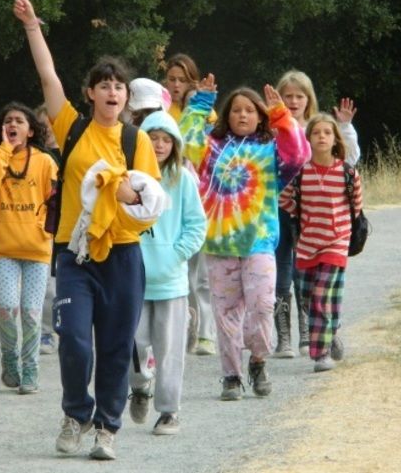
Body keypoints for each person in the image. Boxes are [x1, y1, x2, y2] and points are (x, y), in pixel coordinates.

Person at [12, 0, 161, 460]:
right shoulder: (71, 126)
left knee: (116, 347)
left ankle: (107, 428)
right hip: (75, 253)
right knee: (75, 339)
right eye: (104, 85)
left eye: (118, 85)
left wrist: (129, 191)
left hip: (123, 254)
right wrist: (33, 25)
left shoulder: (138, 139)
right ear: (91, 94)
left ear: (126, 96)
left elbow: (152, 200)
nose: (112, 91)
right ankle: (76, 413)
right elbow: (46, 75)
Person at [179, 75, 310, 400]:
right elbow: (184, 141)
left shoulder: (270, 150)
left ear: (259, 116)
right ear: (227, 115)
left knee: (263, 306)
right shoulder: (210, 148)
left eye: (250, 110)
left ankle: (258, 359)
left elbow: (298, 155)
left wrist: (282, 115)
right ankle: (232, 376)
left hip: (259, 243)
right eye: (236, 110)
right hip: (220, 245)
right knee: (226, 316)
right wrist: (199, 104)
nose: (242, 115)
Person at [128, 110, 206, 436]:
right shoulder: (129, 179)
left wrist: (176, 256)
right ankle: (140, 386)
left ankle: (169, 411)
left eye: (165, 140)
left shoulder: (183, 180)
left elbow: (197, 226)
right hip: (133, 279)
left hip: (172, 282)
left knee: (169, 349)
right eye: (153, 138)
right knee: (134, 342)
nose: (159, 145)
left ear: (175, 145)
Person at [273, 70, 360, 358]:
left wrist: (345, 127)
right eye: (288, 96)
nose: (294, 101)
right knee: (282, 269)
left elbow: (347, 159)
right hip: (277, 206)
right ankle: (284, 336)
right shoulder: (272, 127)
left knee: (308, 273)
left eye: (300, 96)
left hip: (313, 214)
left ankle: (309, 334)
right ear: (279, 98)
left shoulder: (315, 126)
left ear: (308, 99)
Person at [0, 101, 58, 394]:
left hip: (37, 250)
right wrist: (3, 152)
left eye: (19, 121)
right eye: (7, 121)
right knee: (6, 307)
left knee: (31, 312)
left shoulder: (45, 162)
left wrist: (47, 228)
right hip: (7, 250)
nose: (12, 125)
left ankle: (31, 366)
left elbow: (57, 199)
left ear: (31, 130)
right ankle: (10, 358)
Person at [164, 53, 217, 355]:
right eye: (171, 79)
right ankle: (186, 325)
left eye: (182, 80)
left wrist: (199, 104)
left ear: (191, 82)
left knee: (203, 270)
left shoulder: (206, 112)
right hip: (173, 195)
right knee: (180, 267)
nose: (176, 85)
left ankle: (207, 330)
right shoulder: (162, 109)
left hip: (203, 193)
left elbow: (205, 149)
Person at [34, 103, 60, 355]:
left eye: (53, 124)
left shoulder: (73, 153)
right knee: (48, 285)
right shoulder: (34, 157)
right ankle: (45, 331)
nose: (49, 131)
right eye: (43, 126)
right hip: (45, 228)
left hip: (72, 227)